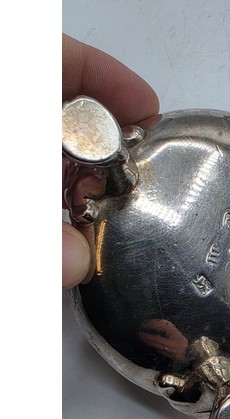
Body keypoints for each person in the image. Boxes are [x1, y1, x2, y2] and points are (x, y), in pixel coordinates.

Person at [62, 33, 159, 288]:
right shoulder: (84, 184)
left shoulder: (125, 141)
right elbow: (79, 205)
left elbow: (132, 135)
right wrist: (85, 214)